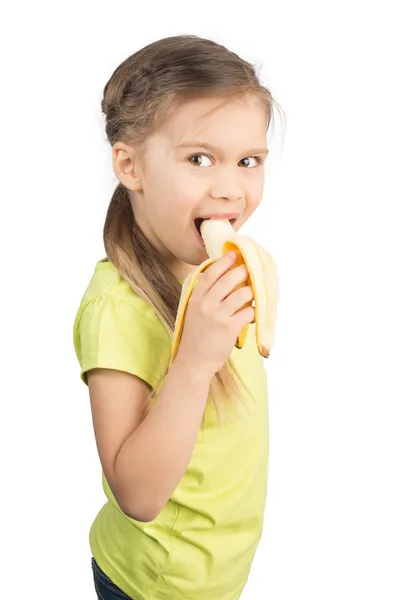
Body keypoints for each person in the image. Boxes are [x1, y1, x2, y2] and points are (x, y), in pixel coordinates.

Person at [73, 33, 281, 600]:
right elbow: (137, 496)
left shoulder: (209, 270)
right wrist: (192, 361)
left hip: (216, 574)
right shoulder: (117, 306)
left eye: (249, 161)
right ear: (130, 165)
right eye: (199, 158)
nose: (231, 188)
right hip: (157, 584)